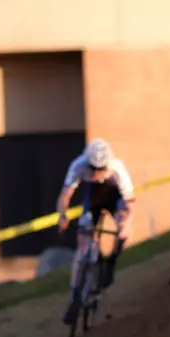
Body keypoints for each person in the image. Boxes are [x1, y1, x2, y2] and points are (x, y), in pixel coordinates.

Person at [56, 138, 135, 325]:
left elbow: (130, 202)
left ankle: (110, 263)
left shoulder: (117, 168)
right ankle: (75, 294)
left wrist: (125, 223)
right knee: (83, 245)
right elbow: (65, 196)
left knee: (120, 231)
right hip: (93, 202)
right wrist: (62, 215)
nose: (97, 173)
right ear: (87, 163)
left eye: (101, 169)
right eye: (93, 169)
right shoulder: (77, 166)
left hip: (116, 201)